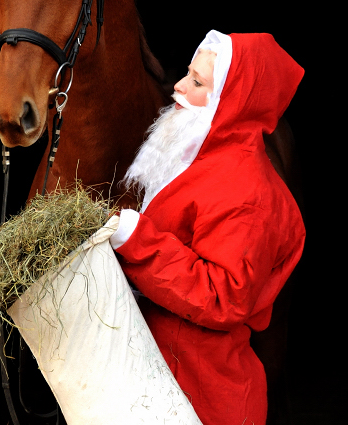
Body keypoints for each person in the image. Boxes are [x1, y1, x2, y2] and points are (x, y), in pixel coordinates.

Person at [109, 30, 305, 425]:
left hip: (205, 400)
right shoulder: (202, 157)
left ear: (232, 102)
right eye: (187, 74)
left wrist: (136, 239)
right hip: (165, 384)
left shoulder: (249, 196)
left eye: (197, 83)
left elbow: (222, 298)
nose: (178, 87)